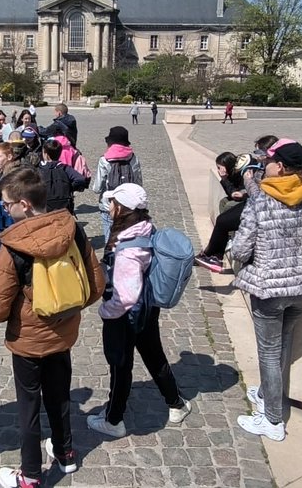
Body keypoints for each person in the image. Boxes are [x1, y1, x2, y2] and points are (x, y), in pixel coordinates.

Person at [0, 167, 106, 488]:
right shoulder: (73, 230)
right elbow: (95, 285)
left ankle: (31, 474)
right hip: (64, 333)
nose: (3, 209)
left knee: (28, 407)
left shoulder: (13, 246)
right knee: (59, 395)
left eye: (6, 204)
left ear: (24, 205)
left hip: (28, 340)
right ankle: (66, 453)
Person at [231, 140, 302, 442]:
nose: (262, 166)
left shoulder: (261, 199)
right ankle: (268, 394)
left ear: (279, 166)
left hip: (269, 288)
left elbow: (241, 247)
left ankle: (271, 420)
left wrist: (237, 258)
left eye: (267, 162)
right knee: (282, 345)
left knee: (269, 353)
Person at [88, 183, 192, 439]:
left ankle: (114, 420)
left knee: (120, 366)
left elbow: (125, 296)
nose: (108, 206)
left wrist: (106, 312)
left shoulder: (128, 249)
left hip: (127, 315)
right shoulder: (144, 227)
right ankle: (176, 403)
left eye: (112, 202)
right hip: (148, 309)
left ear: (121, 207)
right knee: (154, 356)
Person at [195, 152, 252, 273]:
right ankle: (215, 251)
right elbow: (231, 190)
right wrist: (225, 179)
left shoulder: (246, 171)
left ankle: (213, 254)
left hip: (248, 202)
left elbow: (250, 190)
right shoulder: (235, 173)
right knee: (224, 204)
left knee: (226, 212)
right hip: (246, 200)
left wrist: (243, 193)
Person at [93, 127, 143, 234]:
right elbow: (139, 185)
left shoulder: (104, 160)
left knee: (110, 241)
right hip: (129, 207)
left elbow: (97, 188)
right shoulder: (134, 158)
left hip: (109, 206)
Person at [38, 139, 89, 214]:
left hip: (43, 207)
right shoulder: (65, 168)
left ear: (45, 153)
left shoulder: (39, 170)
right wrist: (69, 187)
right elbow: (81, 179)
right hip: (63, 207)